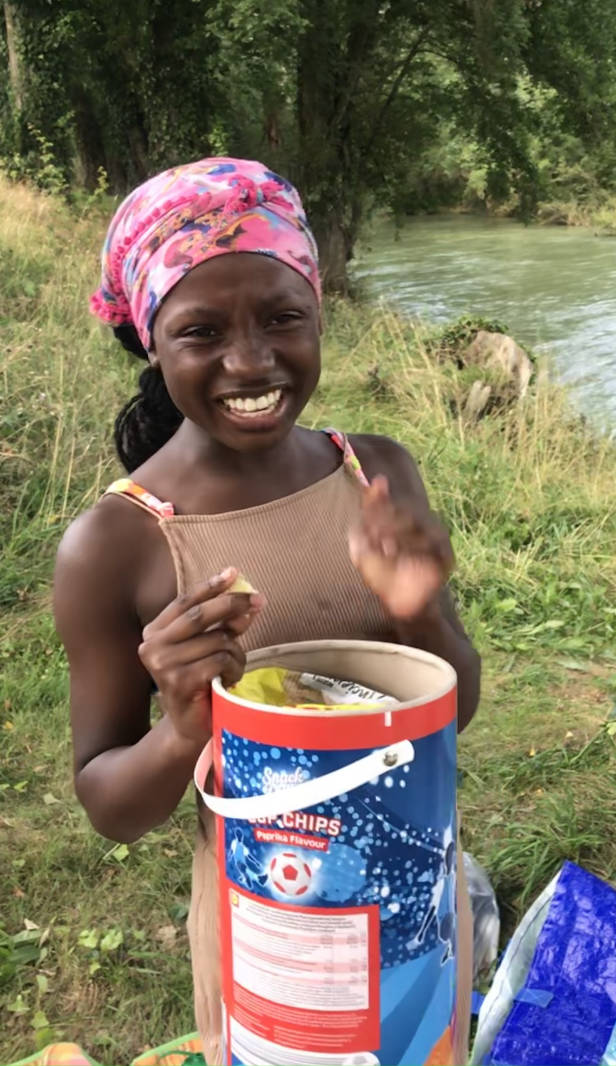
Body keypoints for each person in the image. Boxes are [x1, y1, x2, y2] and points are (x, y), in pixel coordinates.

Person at [53, 157, 480, 1065]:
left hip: (413, 889)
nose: (251, 361)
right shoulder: (117, 545)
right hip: (274, 920)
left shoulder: (377, 474)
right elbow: (110, 806)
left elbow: (455, 711)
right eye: (201, 331)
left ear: (321, 315)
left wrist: (421, 619)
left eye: (283, 318)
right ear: (152, 343)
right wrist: (178, 731)